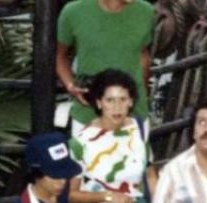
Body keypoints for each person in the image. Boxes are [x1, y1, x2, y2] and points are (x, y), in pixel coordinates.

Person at [68, 69, 157, 203]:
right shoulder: (81, 142)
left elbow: (151, 175)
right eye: (110, 100)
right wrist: (108, 196)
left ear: (131, 102)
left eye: (122, 99)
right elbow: (70, 196)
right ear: (99, 103)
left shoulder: (139, 130)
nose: (117, 107)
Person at [56, 0, 155, 135]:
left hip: (134, 114)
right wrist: (70, 85)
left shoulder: (146, 11)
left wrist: (139, 92)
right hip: (88, 114)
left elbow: (142, 53)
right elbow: (59, 56)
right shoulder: (73, 12)